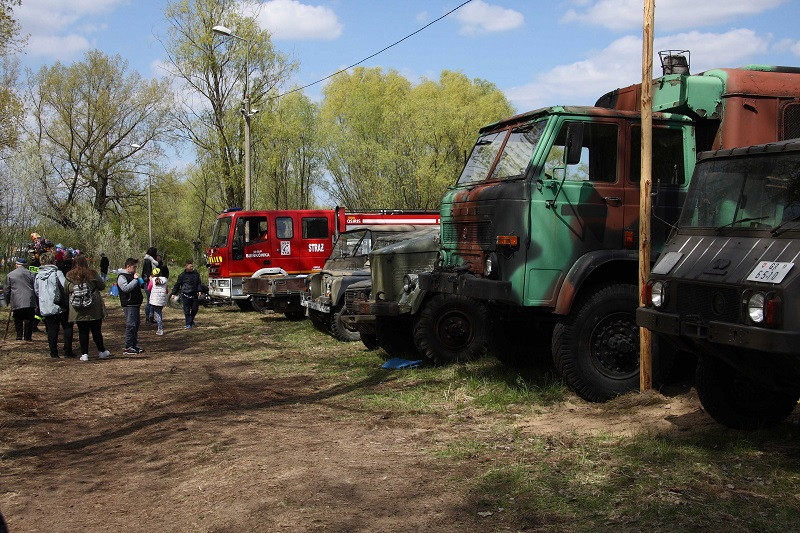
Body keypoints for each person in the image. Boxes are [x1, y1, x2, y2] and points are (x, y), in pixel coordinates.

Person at [65, 255, 110, 361]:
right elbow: (102, 286)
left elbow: (66, 289)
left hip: (77, 308)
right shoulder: (92, 273)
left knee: (82, 331)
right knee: (96, 330)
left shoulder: (69, 275)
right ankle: (101, 351)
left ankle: (84, 354)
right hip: (94, 307)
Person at [34, 251, 75, 358]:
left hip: (46, 306)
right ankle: (68, 351)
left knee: (52, 329)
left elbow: (37, 291)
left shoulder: (38, 276)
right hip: (59, 305)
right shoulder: (57, 273)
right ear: (53, 261)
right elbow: (65, 286)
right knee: (67, 326)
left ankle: (53, 352)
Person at [3, 258, 37, 341]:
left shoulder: (10, 274)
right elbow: (36, 288)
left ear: (16, 265)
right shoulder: (32, 274)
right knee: (29, 318)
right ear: (25, 265)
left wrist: (7, 301)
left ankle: (19, 335)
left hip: (16, 300)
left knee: (18, 317)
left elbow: (6, 290)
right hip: (29, 300)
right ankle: (27, 337)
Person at [117, 257, 145, 354]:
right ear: (128, 266)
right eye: (134, 267)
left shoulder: (133, 276)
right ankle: (128, 346)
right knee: (131, 325)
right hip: (129, 304)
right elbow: (125, 289)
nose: (135, 269)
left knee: (136, 324)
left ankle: (134, 345)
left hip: (136, 303)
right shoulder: (122, 277)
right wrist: (135, 280)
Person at [171, 259, 202, 329]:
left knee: (195, 309)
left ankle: (190, 320)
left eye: (192, 266)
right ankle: (188, 323)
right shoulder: (182, 275)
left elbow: (199, 283)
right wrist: (173, 293)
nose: (191, 268)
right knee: (187, 311)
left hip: (194, 294)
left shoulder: (196, 274)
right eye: (190, 266)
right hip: (185, 295)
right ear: (186, 267)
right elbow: (177, 284)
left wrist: (199, 290)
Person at [147, 267, 169, 335]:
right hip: (162, 299)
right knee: (159, 312)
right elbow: (166, 291)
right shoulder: (165, 280)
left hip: (155, 300)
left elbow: (148, 288)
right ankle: (160, 327)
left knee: (158, 313)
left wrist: (150, 280)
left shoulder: (152, 280)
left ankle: (160, 329)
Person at [142, 247, 158, 326]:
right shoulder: (148, 261)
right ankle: (147, 318)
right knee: (149, 301)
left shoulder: (150, 261)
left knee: (152, 301)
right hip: (148, 283)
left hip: (150, 282)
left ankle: (151, 317)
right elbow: (148, 273)